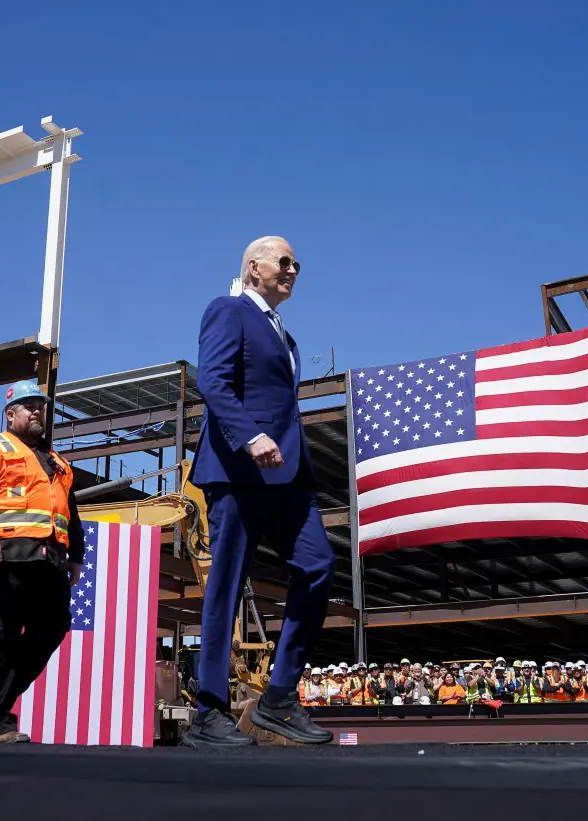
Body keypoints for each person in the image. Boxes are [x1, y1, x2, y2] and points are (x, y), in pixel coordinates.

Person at [182, 237, 335, 749]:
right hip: (239, 470)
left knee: (317, 566)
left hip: (288, 476)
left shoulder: (285, 338)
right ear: (254, 267)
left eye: (298, 264)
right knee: (226, 582)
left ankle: (278, 698)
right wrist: (250, 435)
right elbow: (214, 382)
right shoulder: (228, 310)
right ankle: (208, 711)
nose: (294, 270)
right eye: (284, 261)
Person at [0, 380, 86, 744]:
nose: (37, 411)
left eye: (41, 407)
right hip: (2, 557)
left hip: (49, 562)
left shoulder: (58, 462)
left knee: (55, 627)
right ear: (10, 414)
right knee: (1, 633)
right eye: (29, 406)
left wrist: (76, 556)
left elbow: (71, 515)